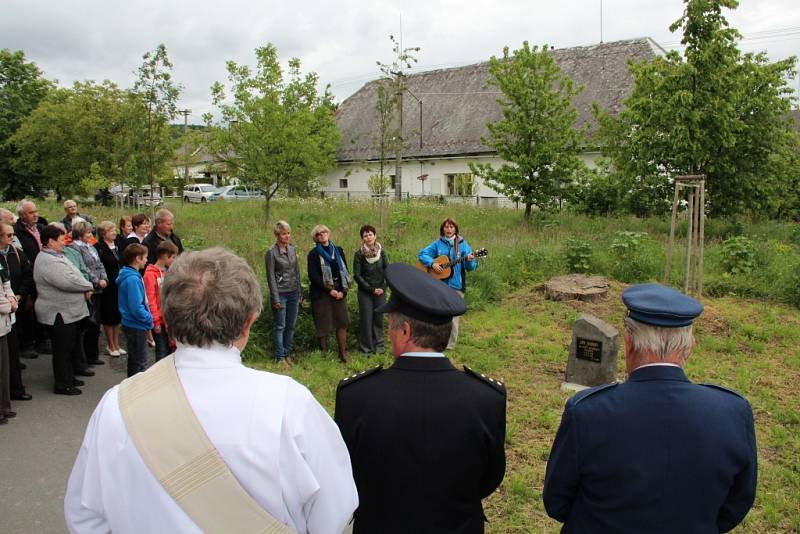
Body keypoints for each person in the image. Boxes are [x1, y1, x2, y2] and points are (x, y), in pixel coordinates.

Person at [66, 247, 359, 533]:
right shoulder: (289, 404)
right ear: (249, 322)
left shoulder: (117, 405)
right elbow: (335, 508)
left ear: (167, 318)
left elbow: (85, 516)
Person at [543, 283, 758, 533]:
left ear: (629, 343)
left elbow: (557, 502)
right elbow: (735, 504)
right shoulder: (733, 412)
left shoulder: (587, 413)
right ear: (690, 347)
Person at [335, 263, 506, 533]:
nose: (390, 333)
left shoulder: (356, 396)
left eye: (391, 326)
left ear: (405, 332)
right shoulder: (487, 397)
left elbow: (347, 477)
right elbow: (489, 478)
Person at [33, 224, 94, 395]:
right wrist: (88, 286)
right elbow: (67, 281)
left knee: (70, 346)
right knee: (62, 349)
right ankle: (62, 384)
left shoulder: (58, 255)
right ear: (50, 242)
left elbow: (76, 274)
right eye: (61, 240)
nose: (64, 243)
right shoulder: (47, 260)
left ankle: (69, 376)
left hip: (68, 312)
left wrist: (84, 285)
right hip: (58, 313)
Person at [418, 217, 477, 350]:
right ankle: (437, 341)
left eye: (451, 227)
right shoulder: (437, 244)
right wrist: (432, 263)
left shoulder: (463, 245)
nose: (449, 229)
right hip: (439, 284)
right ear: (442, 229)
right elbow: (422, 254)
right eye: (446, 227)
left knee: (454, 316)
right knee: (437, 313)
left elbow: (471, 267)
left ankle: (450, 345)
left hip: (456, 285)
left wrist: (468, 260)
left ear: (455, 229)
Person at [307, 224, 350, 363]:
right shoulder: (313, 254)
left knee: (342, 322)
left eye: (324, 232)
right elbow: (313, 276)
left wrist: (343, 291)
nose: (322, 235)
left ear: (328, 233)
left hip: (339, 290)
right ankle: (324, 355)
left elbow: (345, 271)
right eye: (319, 234)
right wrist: (329, 290)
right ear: (316, 238)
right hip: (321, 292)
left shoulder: (338, 250)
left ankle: (343, 353)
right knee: (323, 324)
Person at [0, 223, 33, 401]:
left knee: (12, 353)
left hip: (14, 307)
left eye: (13, 234)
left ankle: (15, 390)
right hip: (4, 309)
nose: (12, 238)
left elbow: (27, 274)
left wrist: (19, 295)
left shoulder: (15, 252)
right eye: (8, 235)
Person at [69, 221, 108, 367]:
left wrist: (104, 278)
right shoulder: (75, 248)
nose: (91, 235)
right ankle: (84, 358)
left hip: (99, 288)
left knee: (96, 323)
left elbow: (99, 264)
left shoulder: (91, 247)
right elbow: (83, 268)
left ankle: (93, 355)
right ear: (80, 234)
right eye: (88, 233)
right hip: (89, 288)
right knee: (88, 324)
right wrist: (96, 281)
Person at [265, 220, 301, 366]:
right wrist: (275, 298)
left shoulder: (292, 249)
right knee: (280, 326)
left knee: (291, 325)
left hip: (293, 292)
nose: (287, 236)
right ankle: (280, 357)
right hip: (280, 293)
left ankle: (287, 354)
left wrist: (299, 292)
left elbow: (297, 271)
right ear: (277, 235)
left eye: (288, 233)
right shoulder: (271, 253)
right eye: (284, 233)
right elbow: (270, 277)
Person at [117, 244, 153, 377]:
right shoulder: (133, 279)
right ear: (137, 258)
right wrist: (148, 318)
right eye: (145, 258)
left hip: (131, 323)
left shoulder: (130, 275)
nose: (146, 260)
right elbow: (136, 307)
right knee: (140, 362)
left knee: (134, 360)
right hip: (136, 324)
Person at [352, 224, 388, 355]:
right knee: (366, 319)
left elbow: (387, 270)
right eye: (365, 235)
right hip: (365, 292)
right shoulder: (359, 254)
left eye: (370, 234)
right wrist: (371, 289)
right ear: (362, 238)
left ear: (375, 235)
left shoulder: (382, 251)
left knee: (378, 318)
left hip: (381, 291)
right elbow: (357, 275)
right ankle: (366, 348)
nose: (368, 237)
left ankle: (379, 346)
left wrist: (382, 287)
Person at [144, 241, 178, 361]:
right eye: (173, 257)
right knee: (162, 351)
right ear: (164, 256)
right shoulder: (150, 275)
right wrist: (156, 321)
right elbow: (151, 298)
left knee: (170, 351)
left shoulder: (166, 273)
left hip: (168, 319)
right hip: (159, 319)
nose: (174, 260)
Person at [94, 221, 124, 357]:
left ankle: (117, 343)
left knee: (118, 314)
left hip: (119, 284)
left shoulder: (118, 245)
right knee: (108, 315)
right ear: (103, 233)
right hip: (107, 286)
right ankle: (110, 344)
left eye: (114, 230)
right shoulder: (98, 247)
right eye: (111, 230)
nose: (114, 232)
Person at [0, 243, 19, 424]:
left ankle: (4, 406)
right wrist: (9, 305)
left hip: (3, 325)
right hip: (2, 314)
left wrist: (12, 298)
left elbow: (6, 283)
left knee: (4, 368)